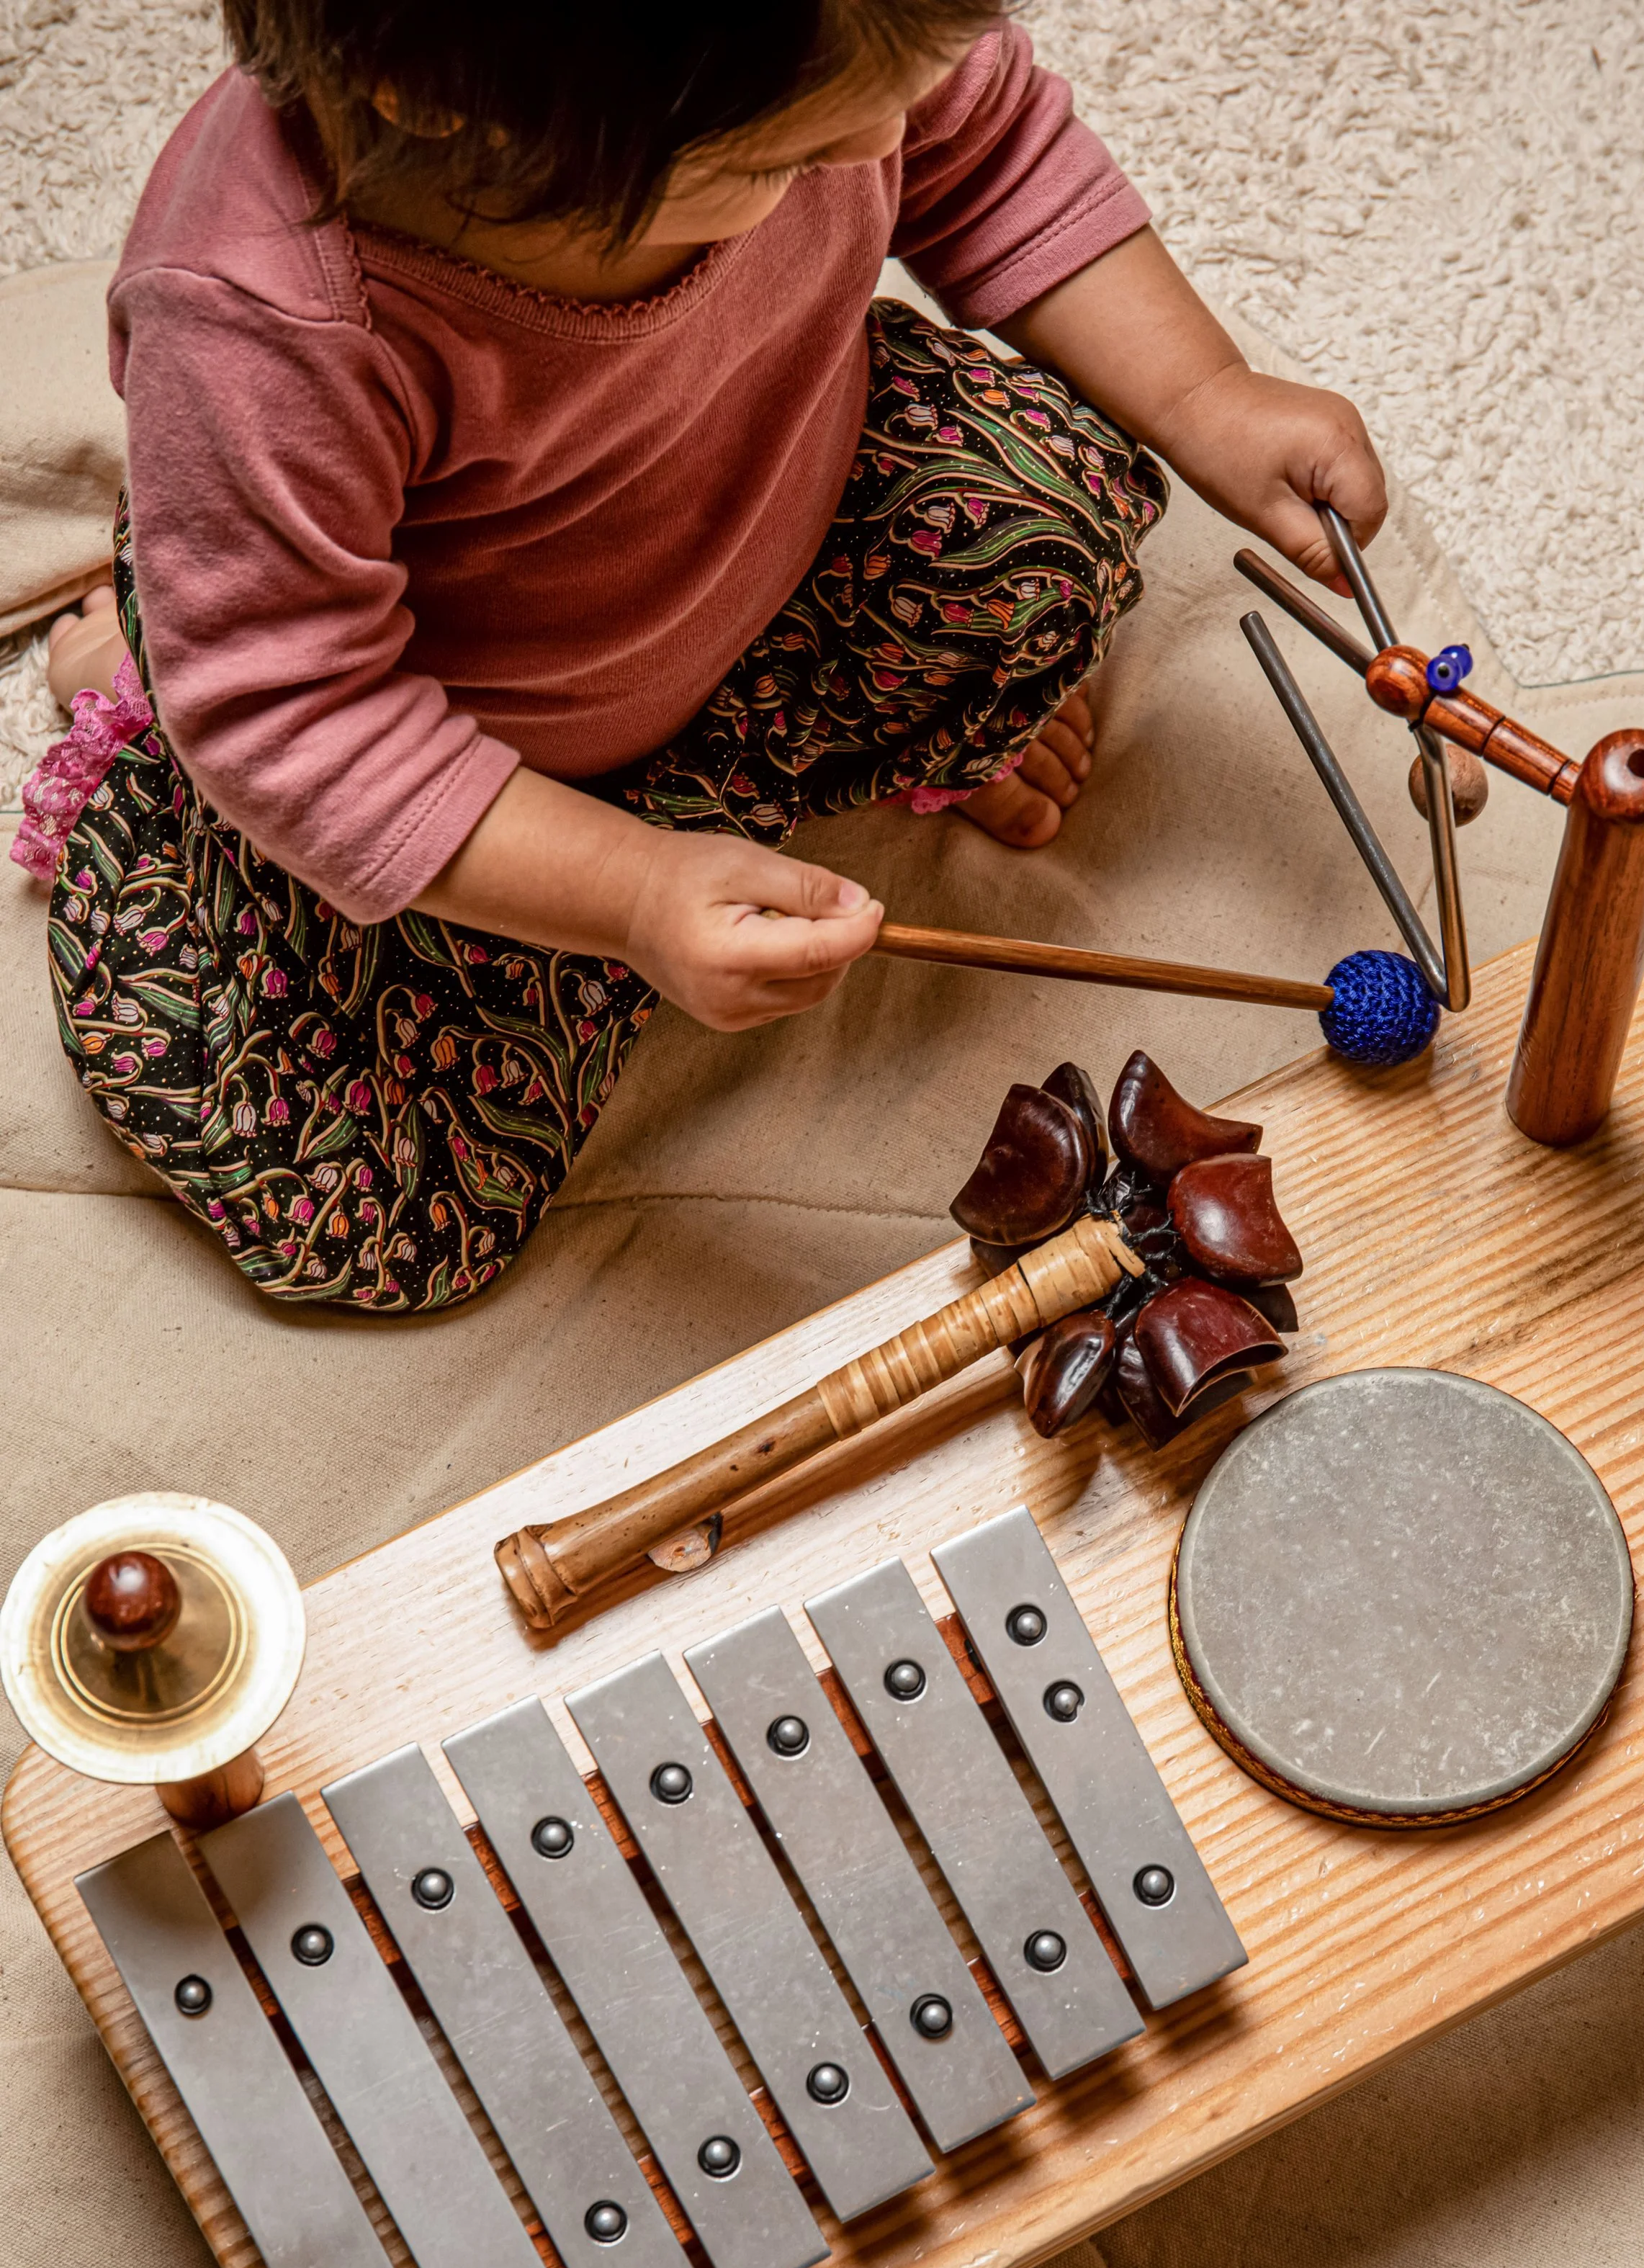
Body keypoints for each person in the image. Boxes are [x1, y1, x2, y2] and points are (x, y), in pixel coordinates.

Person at [22, 0, 1385, 1312]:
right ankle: (142, 717)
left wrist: (1211, 398)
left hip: (766, 504)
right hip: (467, 758)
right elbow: (299, 713)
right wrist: (630, 895)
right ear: (447, 113)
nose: (870, 159)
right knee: (368, 1206)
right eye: (780, 161)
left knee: (1052, 523)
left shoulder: (813, 49)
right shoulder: (265, 328)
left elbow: (994, 148)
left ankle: (775, 748)